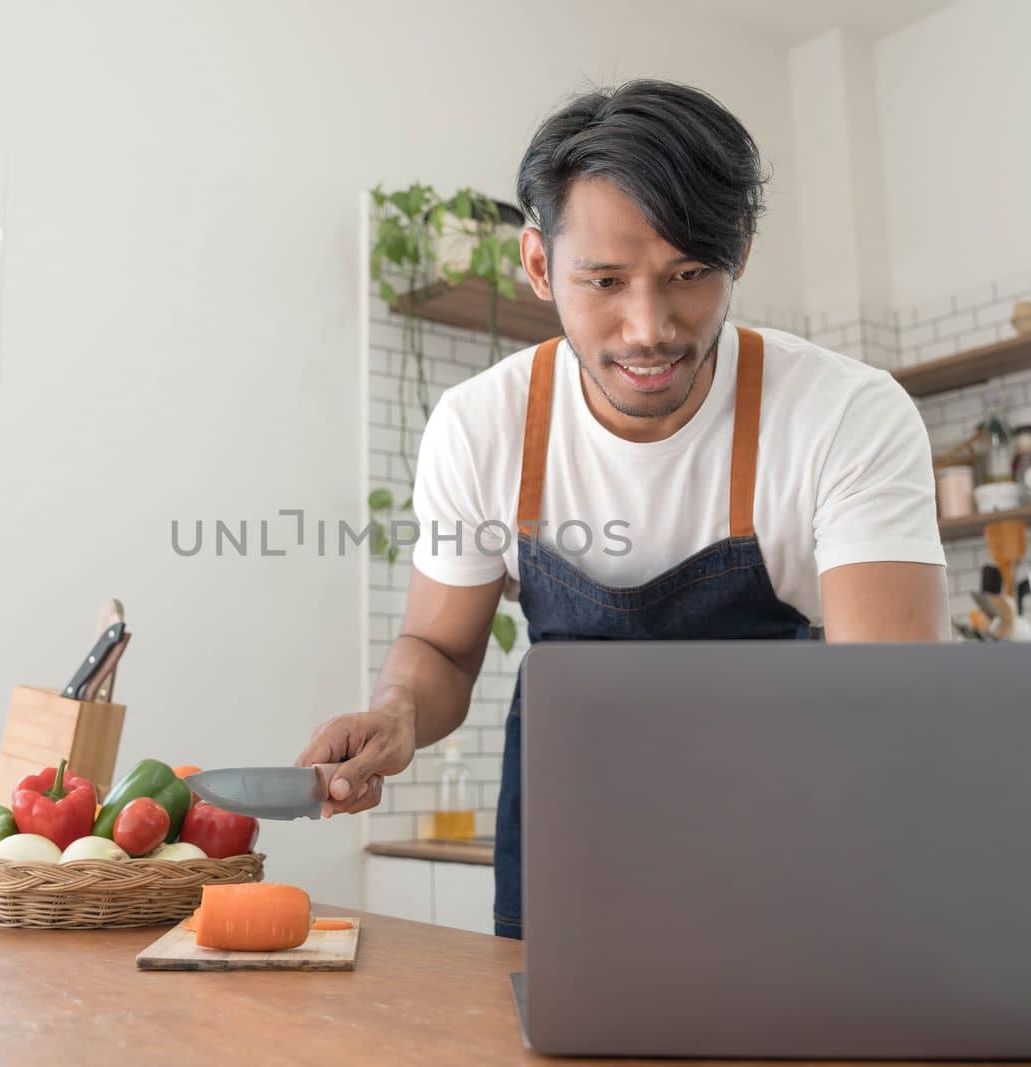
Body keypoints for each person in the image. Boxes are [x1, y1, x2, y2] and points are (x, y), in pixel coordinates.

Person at [297, 80, 949, 940]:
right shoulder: (481, 425)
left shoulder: (845, 415)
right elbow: (440, 649)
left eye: (689, 275)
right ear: (537, 264)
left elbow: (895, 701)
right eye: (604, 280)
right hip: (574, 839)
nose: (650, 327)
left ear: (740, 250)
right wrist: (394, 713)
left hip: (793, 835)